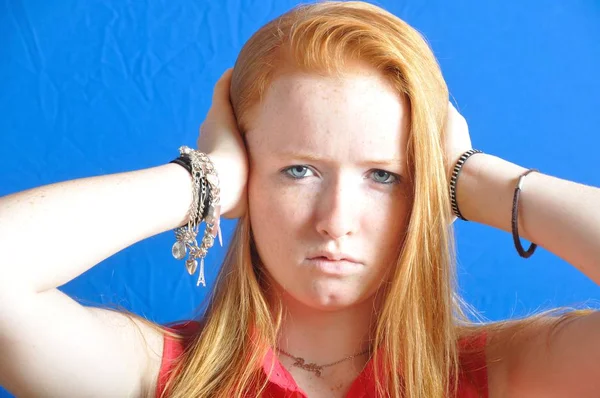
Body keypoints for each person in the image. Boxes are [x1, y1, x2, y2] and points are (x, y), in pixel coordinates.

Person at [1, 1, 599, 397]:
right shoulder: (152, 375)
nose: (335, 221)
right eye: (298, 169)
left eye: (384, 176)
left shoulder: (501, 377)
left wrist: (474, 178)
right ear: (247, 175)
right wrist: (206, 180)